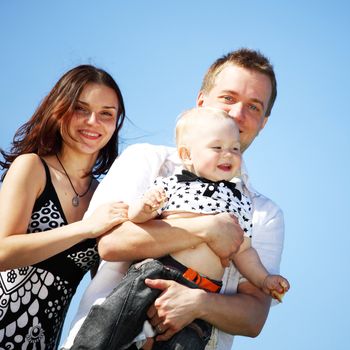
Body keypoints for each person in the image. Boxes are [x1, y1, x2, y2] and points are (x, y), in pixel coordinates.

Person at [62, 48, 285, 350]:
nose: (237, 114)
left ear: (264, 122)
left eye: (254, 107)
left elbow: (253, 318)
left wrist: (198, 303)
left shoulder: (262, 212)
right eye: (228, 98)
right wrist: (206, 230)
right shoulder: (149, 162)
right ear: (201, 101)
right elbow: (112, 243)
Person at [0, 64, 129, 350]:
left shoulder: (104, 196)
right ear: (59, 109)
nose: (93, 121)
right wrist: (85, 228)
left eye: (106, 114)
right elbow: (2, 251)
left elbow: (105, 287)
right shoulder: (32, 167)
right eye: (81, 109)